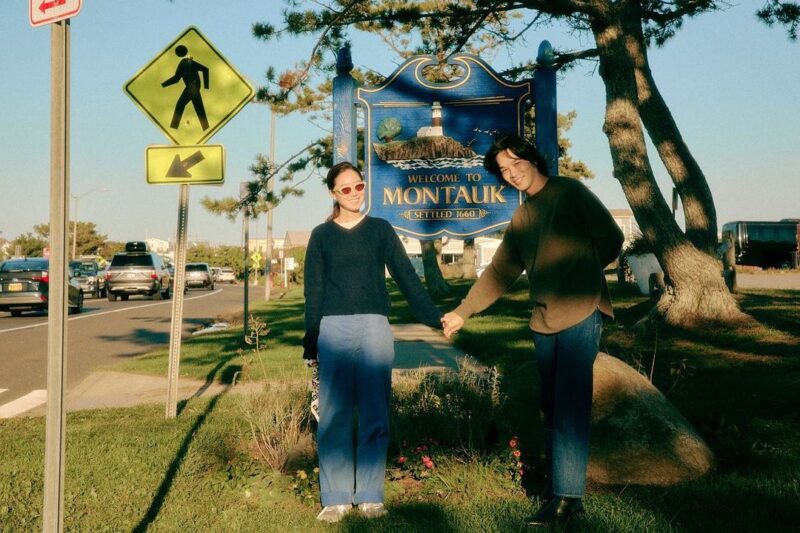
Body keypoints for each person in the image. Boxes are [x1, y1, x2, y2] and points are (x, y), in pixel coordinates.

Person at [442, 134, 624, 527]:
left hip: (581, 312)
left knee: (570, 406)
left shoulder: (570, 192)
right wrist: (462, 312)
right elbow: (500, 272)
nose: (512, 174)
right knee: (552, 406)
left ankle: (567, 499)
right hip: (543, 321)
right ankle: (559, 484)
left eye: (515, 164)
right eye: (504, 171)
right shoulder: (522, 218)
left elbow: (612, 238)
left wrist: (582, 275)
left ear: (531, 158)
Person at [303, 161, 444, 523]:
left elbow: (407, 278)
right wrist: (311, 338)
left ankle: (369, 495)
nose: (354, 193)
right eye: (345, 188)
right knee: (333, 416)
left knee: (374, 412)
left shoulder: (380, 230)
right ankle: (334, 498)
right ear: (333, 193)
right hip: (333, 329)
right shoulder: (321, 235)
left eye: (359, 186)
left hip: (374, 328)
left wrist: (433, 317)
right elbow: (313, 291)